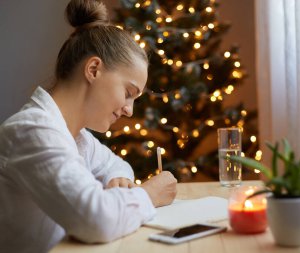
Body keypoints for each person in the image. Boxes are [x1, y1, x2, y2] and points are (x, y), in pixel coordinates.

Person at [0, 0, 177, 252]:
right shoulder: (31, 131)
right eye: (128, 92)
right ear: (93, 69)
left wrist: (118, 179)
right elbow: (96, 221)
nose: (129, 110)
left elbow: (116, 164)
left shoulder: (78, 138)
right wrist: (149, 195)